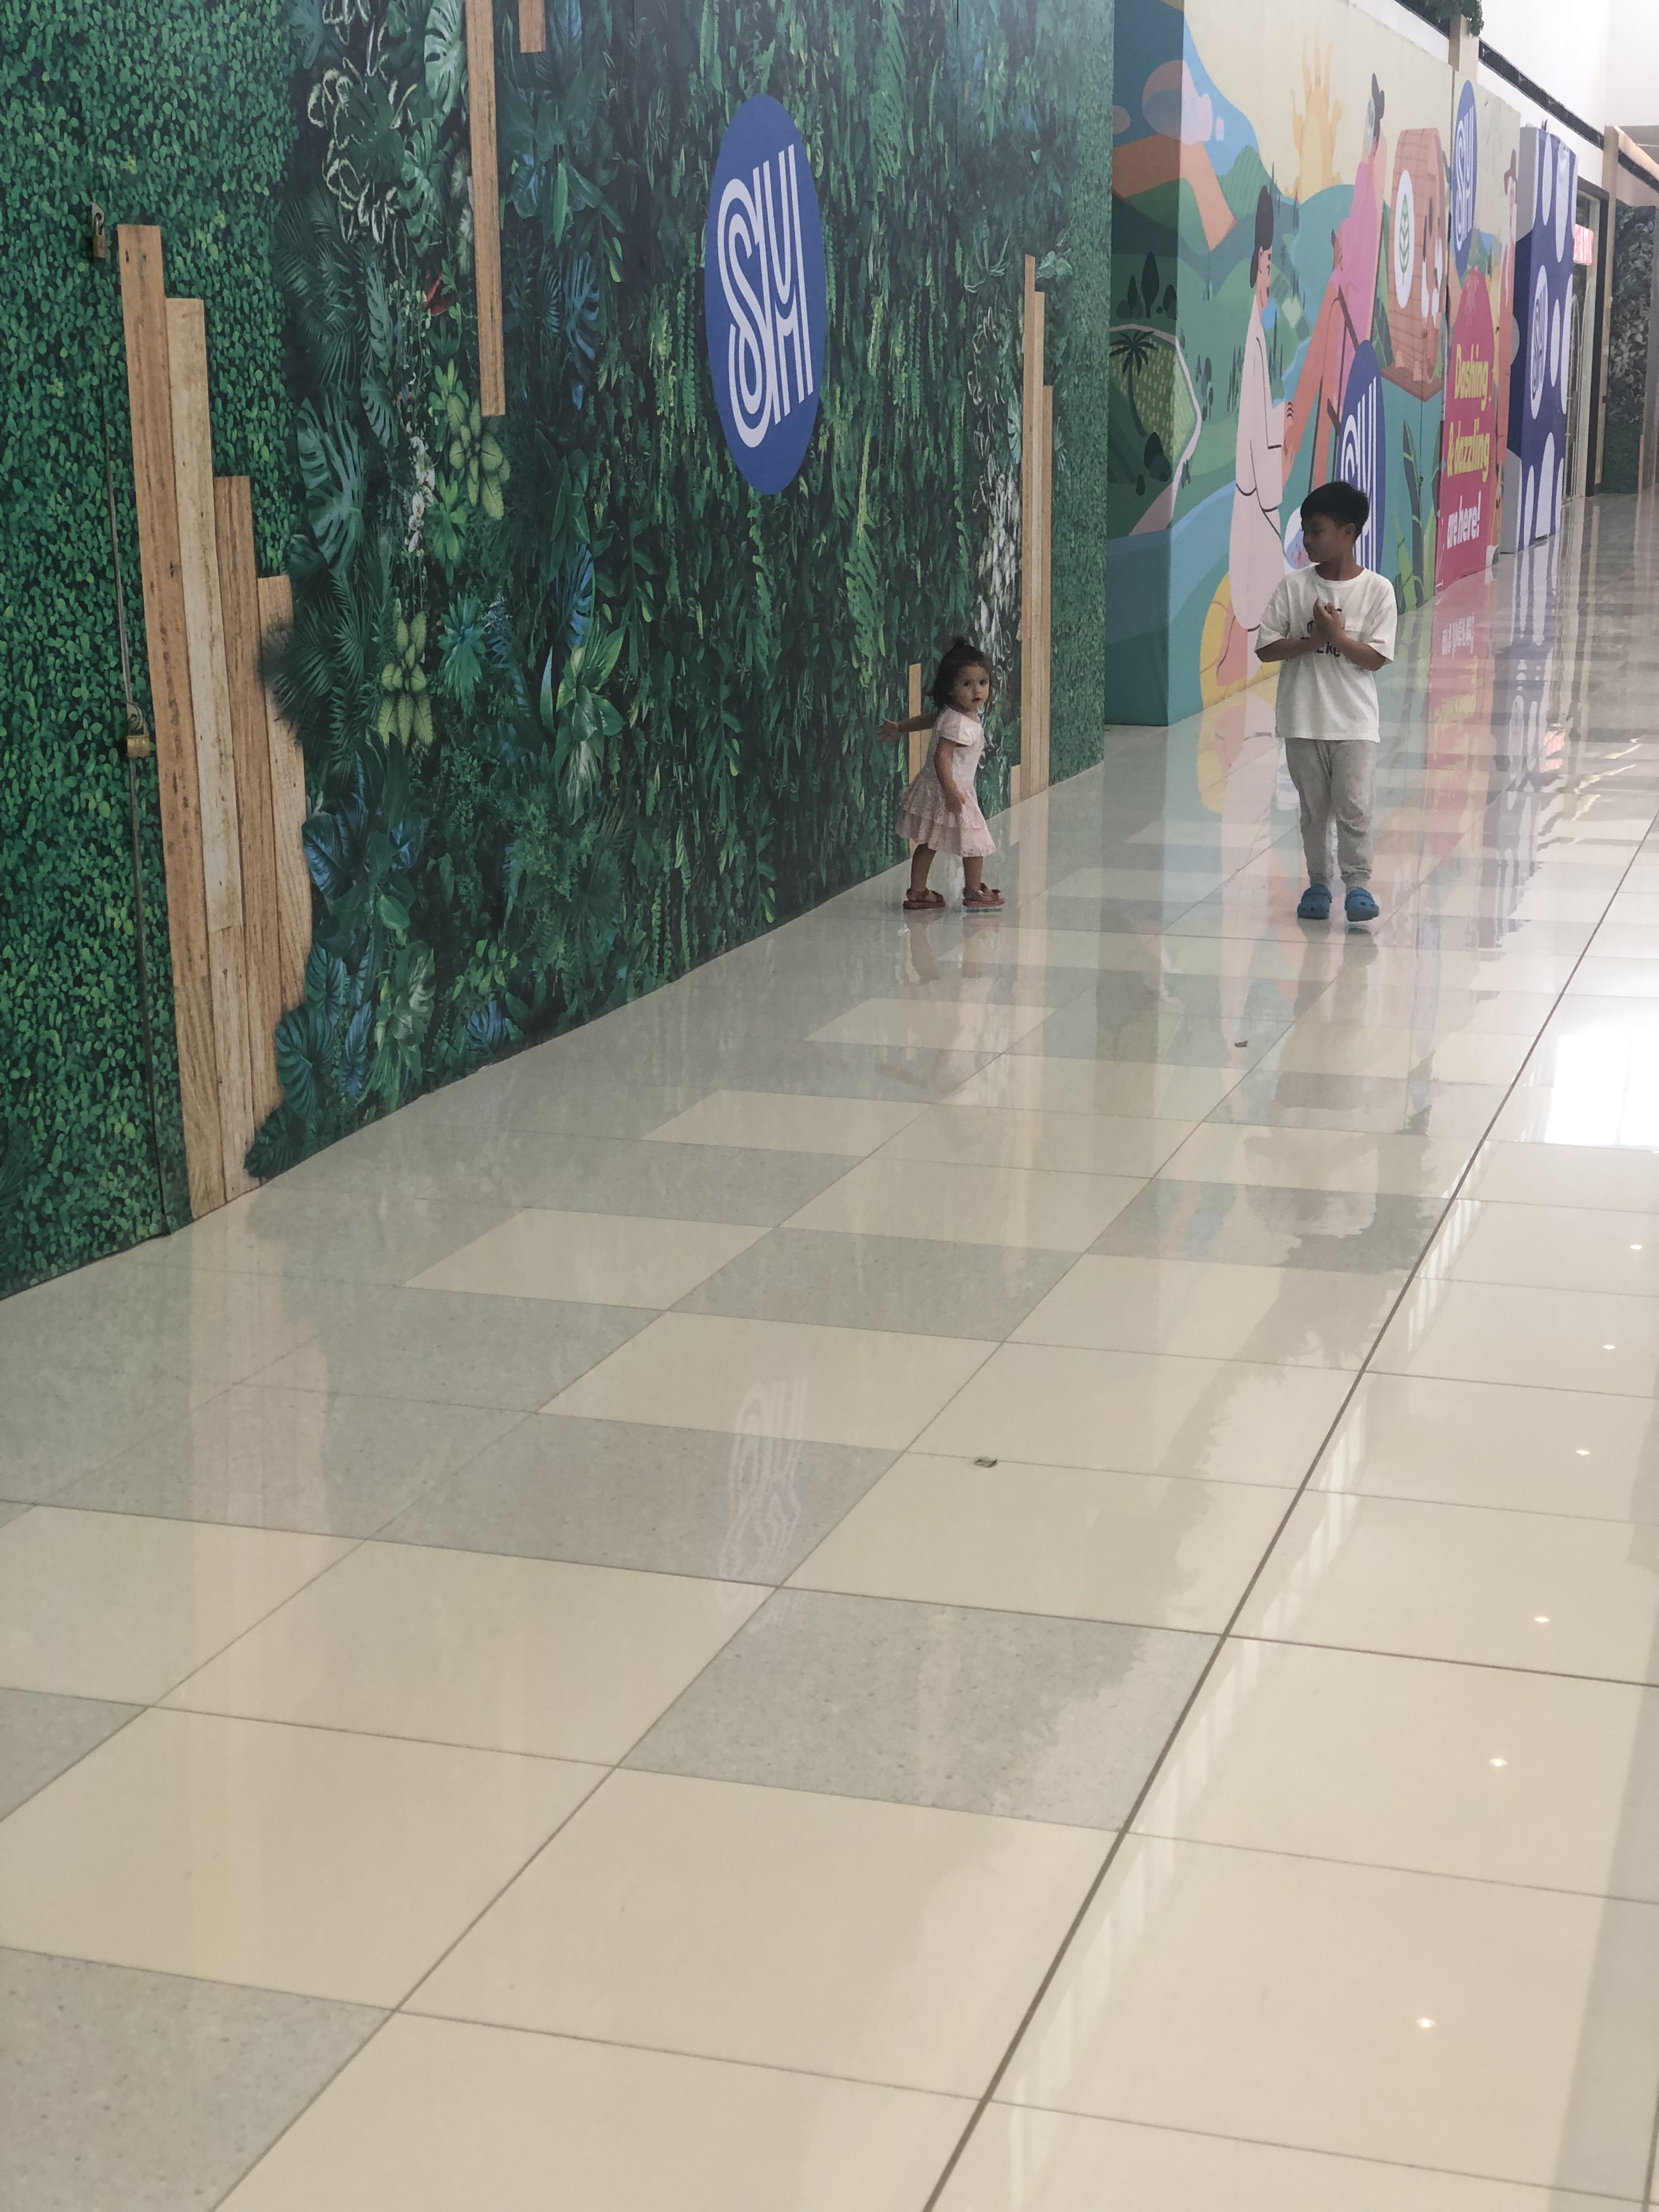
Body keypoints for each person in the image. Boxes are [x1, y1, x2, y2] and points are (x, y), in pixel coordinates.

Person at [1255, 478, 1397, 923]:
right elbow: (1266, 648)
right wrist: (1313, 641)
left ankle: (1358, 884)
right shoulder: (1294, 588)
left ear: (1348, 533)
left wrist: (1335, 637)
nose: (1308, 540)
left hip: (1355, 723)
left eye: (1317, 530)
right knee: (1314, 810)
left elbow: (1375, 658)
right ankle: (1318, 883)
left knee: (1355, 806)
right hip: (1303, 720)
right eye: (1305, 530)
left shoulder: (1377, 590)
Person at [1216, 186, 1291, 691]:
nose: (1270, 276)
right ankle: (1231, 662)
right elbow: (1254, 429)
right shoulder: (1253, 338)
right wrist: (1279, 431)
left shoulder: (1257, 334)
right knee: (1256, 596)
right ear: (1256, 266)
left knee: (1255, 596)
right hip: (1256, 494)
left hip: (1255, 489)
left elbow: (1256, 419)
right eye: (1267, 266)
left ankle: (1233, 658)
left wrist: (1276, 419)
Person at [878, 636, 1003, 910]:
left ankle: (918, 891)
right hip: (952, 789)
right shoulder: (960, 724)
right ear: (950, 688)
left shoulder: (952, 713)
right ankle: (973, 891)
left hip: (934, 786)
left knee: (928, 841)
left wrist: (901, 727)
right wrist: (951, 792)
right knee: (976, 842)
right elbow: (942, 757)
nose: (977, 691)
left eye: (983, 683)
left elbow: (930, 719)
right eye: (967, 684)